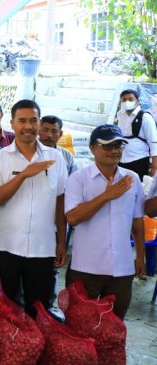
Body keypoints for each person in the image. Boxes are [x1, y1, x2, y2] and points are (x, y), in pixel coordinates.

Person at [0, 99, 67, 317]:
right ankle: (9, 350)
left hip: (43, 246)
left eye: (33, 120)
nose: (28, 126)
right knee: (6, 309)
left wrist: (61, 241)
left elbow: (60, 201)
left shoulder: (56, 158)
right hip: (6, 246)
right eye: (22, 121)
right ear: (12, 123)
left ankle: (35, 348)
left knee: (39, 309)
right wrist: (23, 175)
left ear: (39, 123)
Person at [64, 124, 146, 319]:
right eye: (107, 146)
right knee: (79, 325)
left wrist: (140, 256)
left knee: (114, 328)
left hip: (122, 269)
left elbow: (137, 221)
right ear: (93, 148)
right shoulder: (78, 179)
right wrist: (106, 196)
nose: (115, 150)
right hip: (86, 267)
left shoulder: (131, 179)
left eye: (118, 145)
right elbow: (73, 217)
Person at [116, 88, 157, 179]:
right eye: (124, 99)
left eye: (130, 99)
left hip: (139, 160)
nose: (127, 102)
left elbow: (154, 142)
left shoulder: (145, 117)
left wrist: (154, 166)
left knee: (138, 188)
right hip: (121, 159)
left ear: (137, 101)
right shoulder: (120, 115)